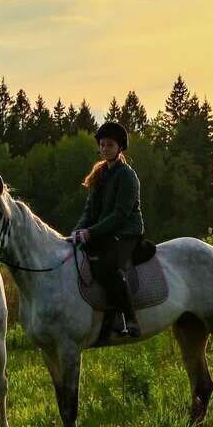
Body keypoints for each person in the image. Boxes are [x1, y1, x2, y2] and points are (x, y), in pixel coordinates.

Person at [72, 122, 145, 338]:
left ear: (119, 148)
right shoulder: (99, 174)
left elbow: (120, 215)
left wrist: (91, 233)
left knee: (107, 266)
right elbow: (88, 211)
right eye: (102, 145)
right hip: (103, 231)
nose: (105, 149)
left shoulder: (127, 176)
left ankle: (129, 318)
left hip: (126, 232)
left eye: (109, 145)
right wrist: (76, 232)